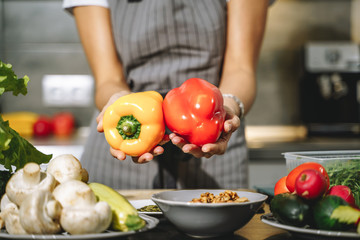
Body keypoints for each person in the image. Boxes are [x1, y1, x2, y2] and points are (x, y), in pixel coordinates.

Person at [63, 0, 270, 189]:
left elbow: (241, 69)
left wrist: (229, 106)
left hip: (213, 142)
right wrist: (118, 102)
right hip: (125, 146)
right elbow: (108, 79)